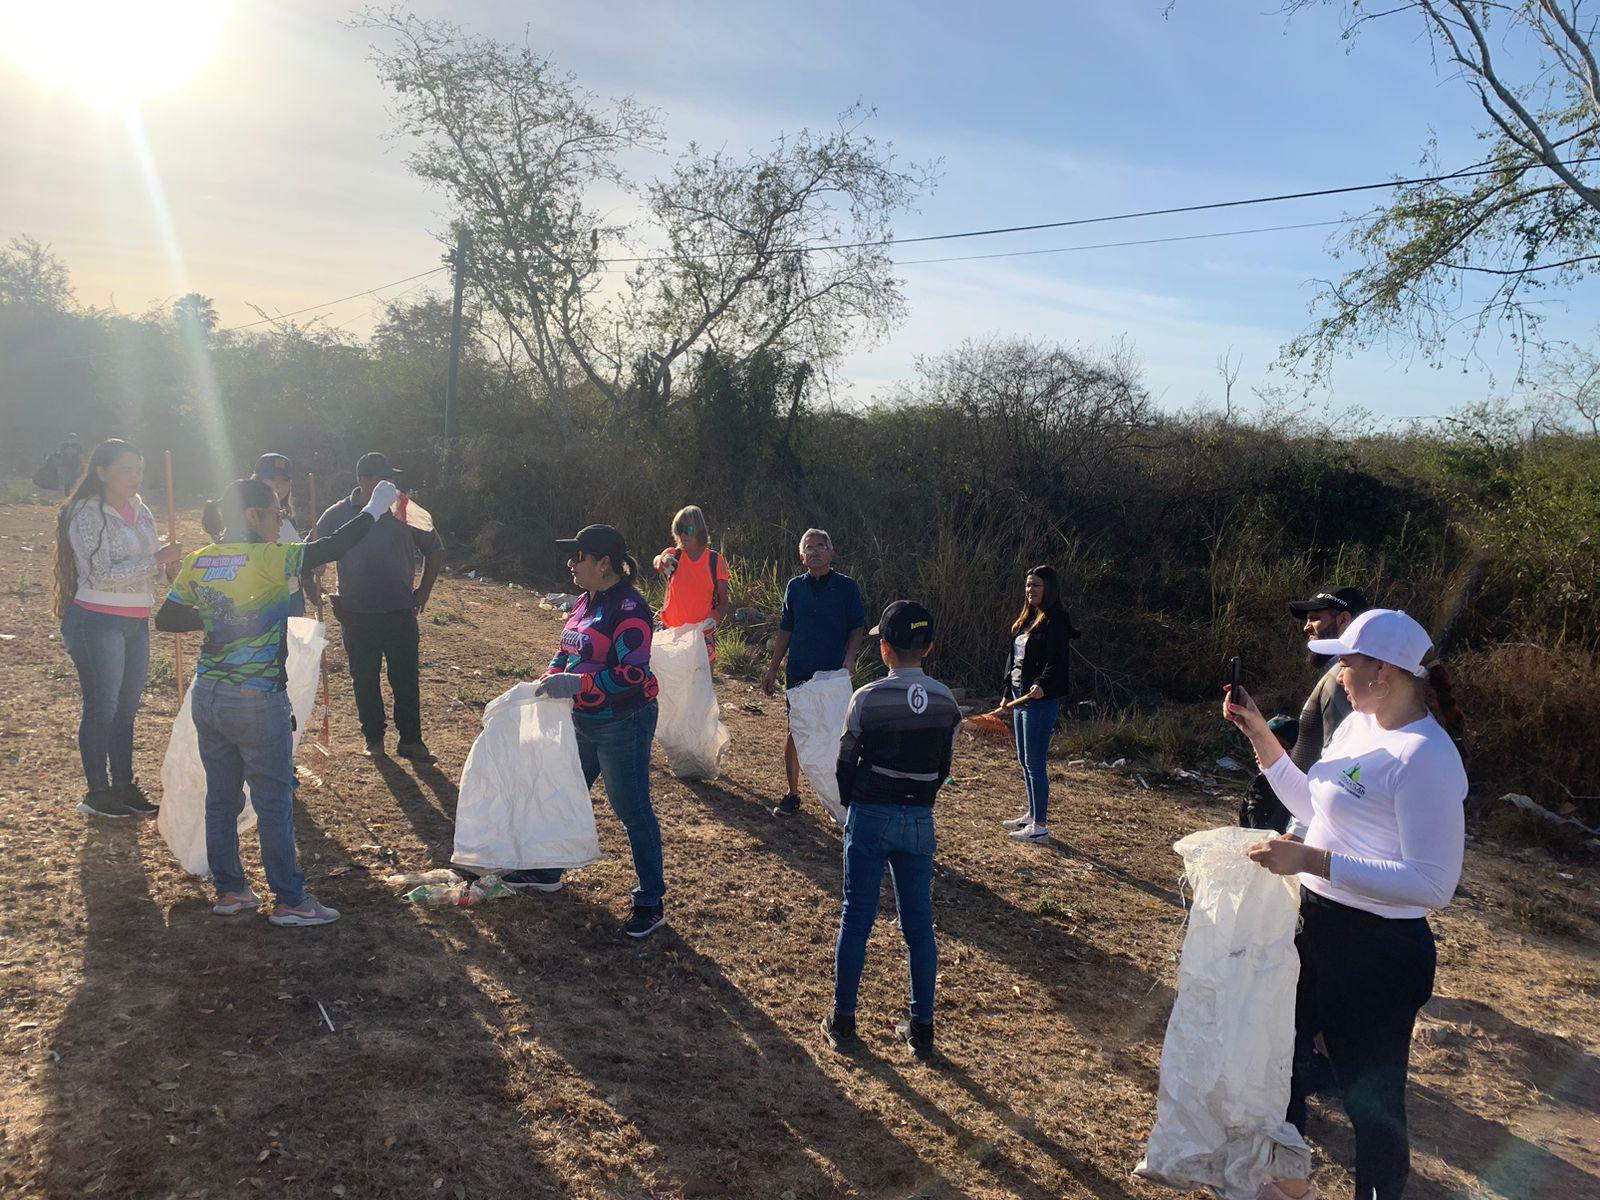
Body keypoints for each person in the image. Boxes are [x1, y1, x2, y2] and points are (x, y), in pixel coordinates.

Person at [1223, 608, 1467, 1200]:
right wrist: (1259, 733)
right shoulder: (1359, 725)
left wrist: (1313, 860)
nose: (1337, 675)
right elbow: (1314, 807)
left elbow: (1434, 883)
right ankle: (1287, 1183)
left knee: (1372, 1103)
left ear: (1382, 670)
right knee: (1281, 1060)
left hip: (1379, 951)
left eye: (1346, 663)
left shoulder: (1425, 757)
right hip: (1317, 926)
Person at [156, 476, 399, 926]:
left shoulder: (199, 560)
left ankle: (231, 890)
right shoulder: (268, 557)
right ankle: (290, 899)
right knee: (273, 801)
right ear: (253, 516)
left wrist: (219, 616)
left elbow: (167, 618)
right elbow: (330, 547)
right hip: (256, 698)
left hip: (208, 695)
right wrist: (374, 509)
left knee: (221, 798)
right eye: (276, 513)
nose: (280, 521)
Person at [502, 524, 668, 939]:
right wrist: (553, 674)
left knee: (632, 810)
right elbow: (567, 648)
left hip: (623, 722)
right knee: (566, 792)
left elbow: (635, 672)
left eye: (578, 557)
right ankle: (548, 870)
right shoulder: (585, 599)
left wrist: (579, 683)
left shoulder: (630, 609)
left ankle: (651, 902)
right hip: (583, 719)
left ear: (604, 563)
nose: (570, 564)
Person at [821, 600, 962, 1063]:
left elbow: (845, 761)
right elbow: (942, 767)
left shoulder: (866, 697)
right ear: (929, 647)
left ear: (884, 647)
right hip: (919, 817)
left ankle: (844, 1020)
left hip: (871, 814)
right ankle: (922, 1028)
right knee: (919, 925)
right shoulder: (946, 701)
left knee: (857, 917)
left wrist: (855, 803)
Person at [51, 438, 184, 818]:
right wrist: (156, 560)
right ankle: (97, 793)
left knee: (126, 709)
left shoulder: (141, 510)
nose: (134, 477)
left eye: (138, 469)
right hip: (96, 621)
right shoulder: (86, 513)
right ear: (101, 472)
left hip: (135, 620)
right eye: (125, 469)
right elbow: (100, 573)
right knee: (103, 707)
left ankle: (124, 786)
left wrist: (168, 569)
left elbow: (149, 567)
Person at [314, 452, 442, 763]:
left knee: (405, 678)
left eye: (392, 479)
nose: (391, 485)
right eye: (384, 479)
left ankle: (411, 740)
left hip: (400, 610)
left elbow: (434, 548)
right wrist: (313, 585)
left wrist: (424, 590)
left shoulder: (405, 510)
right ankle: (373, 739)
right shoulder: (336, 514)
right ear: (364, 480)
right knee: (364, 678)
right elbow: (314, 550)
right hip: (356, 613)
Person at [761, 529, 866, 817]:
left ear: (831, 553)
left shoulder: (846, 587)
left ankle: (840, 795)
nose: (815, 551)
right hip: (800, 674)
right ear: (801, 556)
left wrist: (850, 659)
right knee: (797, 730)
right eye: (809, 547)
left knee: (837, 733)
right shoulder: (795, 587)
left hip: (833, 675)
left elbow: (857, 627)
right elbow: (786, 629)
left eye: (821, 546)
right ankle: (793, 794)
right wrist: (772, 669)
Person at [998, 565, 1078, 844]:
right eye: (1028, 585)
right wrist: (1007, 691)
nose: (1030, 590)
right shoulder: (1027, 618)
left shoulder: (1056, 620)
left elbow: (1057, 661)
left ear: (1049, 589)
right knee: (1023, 759)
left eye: (1036, 585)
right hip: (1019, 696)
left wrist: (1042, 684)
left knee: (1035, 761)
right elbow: (1014, 660)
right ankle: (1032, 814)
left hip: (1040, 700)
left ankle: (1040, 826)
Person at [653, 505, 730, 663]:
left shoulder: (715, 561)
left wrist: (714, 619)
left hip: (700, 637)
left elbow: (723, 602)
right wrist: (661, 560)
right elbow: (658, 561)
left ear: (699, 530)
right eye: (679, 529)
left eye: (687, 530)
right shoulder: (674, 555)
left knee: (702, 678)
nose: (682, 534)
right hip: (670, 634)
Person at [250, 452, 316, 619]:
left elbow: (294, 555)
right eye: (272, 478)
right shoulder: (250, 519)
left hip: (293, 597)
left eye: (284, 480)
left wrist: (310, 570)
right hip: (265, 601)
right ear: (257, 481)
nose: (278, 486)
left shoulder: (287, 518)